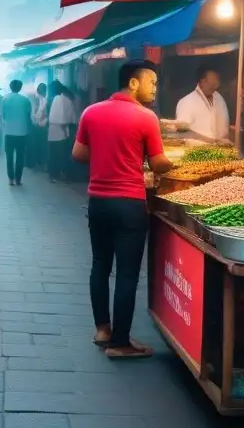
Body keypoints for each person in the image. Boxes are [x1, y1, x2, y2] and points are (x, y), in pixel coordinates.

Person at [73, 60, 174, 359]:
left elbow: (78, 154)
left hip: (98, 203)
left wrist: (105, 153)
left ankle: (102, 329)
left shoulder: (91, 112)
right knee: (128, 274)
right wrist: (177, 164)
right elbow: (158, 164)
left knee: (100, 265)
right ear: (133, 83)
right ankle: (120, 343)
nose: (155, 88)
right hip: (130, 204)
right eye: (151, 82)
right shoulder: (146, 117)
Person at [176, 65, 231, 144]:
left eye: (216, 83)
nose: (215, 86)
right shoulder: (187, 101)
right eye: (211, 83)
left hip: (221, 150)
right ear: (202, 82)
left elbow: (224, 128)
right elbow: (183, 132)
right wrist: (211, 141)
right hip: (196, 152)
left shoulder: (219, 98)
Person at [1, 80, 33, 186]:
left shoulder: (4, 99)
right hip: (22, 133)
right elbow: (29, 117)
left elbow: (3, 116)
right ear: (20, 87)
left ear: (10, 87)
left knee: (9, 157)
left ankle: (11, 178)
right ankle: (18, 179)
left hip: (9, 133)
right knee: (20, 157)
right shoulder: (25, 100)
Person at [47, 82, 75, 183]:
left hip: (57, 132)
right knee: (61, 155)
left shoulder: (57, 99)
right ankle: (60, 174)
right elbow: (71, 118)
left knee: (54, 155)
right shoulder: (67, 99)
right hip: (63, 133)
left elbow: (55, 118)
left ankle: (54, 175)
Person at [29, 82, 48, 170]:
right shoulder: (42, 100)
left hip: (39, 126)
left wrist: (36, 121)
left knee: (39, 145)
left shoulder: (42, 100)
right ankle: (39, 162)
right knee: (40, 145)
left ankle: (39, 162)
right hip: (40, 126)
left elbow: (34, 114)